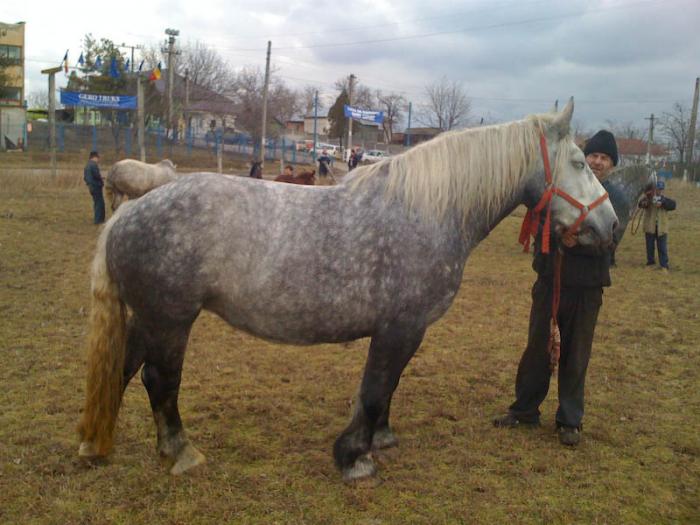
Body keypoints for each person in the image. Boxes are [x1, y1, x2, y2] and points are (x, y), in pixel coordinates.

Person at [493, 129, 619, 446]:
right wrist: (557, 236)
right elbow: (542, 225)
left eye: (605, 158)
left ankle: (569, 421)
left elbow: (608, 240)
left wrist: (572, 240)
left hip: (587, 289)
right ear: (585, 159)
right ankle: (524, 410)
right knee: (536, 348)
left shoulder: (614, 199)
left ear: (612, 165)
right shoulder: (562, 187)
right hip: (549, 282)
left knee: (576, 355)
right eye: (594, 155)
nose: (599, 161)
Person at [639, 179, 676, 272]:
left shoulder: (665, 200)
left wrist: (663, 203)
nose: (659, 191)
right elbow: (640, 204)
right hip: (650, 226)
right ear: (654, 189)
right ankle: (650, 263)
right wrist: (646, 201)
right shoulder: (648, 198)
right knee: (650, 246)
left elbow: (673, 205)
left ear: (663, 190)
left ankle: (664, 265)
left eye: (661, 189)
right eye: (658, 189)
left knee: (662, 247)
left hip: (661, 227)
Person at [83, 150, 105, 224]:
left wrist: (89, 184)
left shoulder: (87, 165)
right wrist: (101, 179)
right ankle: (98, 220)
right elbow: (96, 175)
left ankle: (99, 219)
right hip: (96, 186)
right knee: (99, 204)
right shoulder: (93, 165)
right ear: (94, 157)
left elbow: (85, 178)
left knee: (97, 203)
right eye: (98, 158)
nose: (98, 160)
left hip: (91, 187)